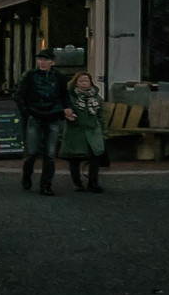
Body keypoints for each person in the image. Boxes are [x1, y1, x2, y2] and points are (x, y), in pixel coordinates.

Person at [15, 50, 70, 195]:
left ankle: (46, 184)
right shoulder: (30, 76)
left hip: (53, 116)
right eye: (40, 60)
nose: (42, 63)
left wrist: (66, 109)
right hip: (35, 116)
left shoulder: (59, 77)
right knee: (31, 152)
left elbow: (65, 96)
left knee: (50, 154)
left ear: (52, 62)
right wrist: (26, 112)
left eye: (45, 60)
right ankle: (27, 175)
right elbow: (20, 95)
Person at [60, 71, 106, 193]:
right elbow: (62, 111)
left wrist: (103, 131)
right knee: (74, 159)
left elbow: (101, 115)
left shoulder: (96, 98)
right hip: (75, 131)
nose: (84, 83)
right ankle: (77, 182)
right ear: (76, 83)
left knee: (95, 157)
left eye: (86, 81)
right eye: (81, 81)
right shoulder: (69, 97)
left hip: (93, 131)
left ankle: (93, 182)